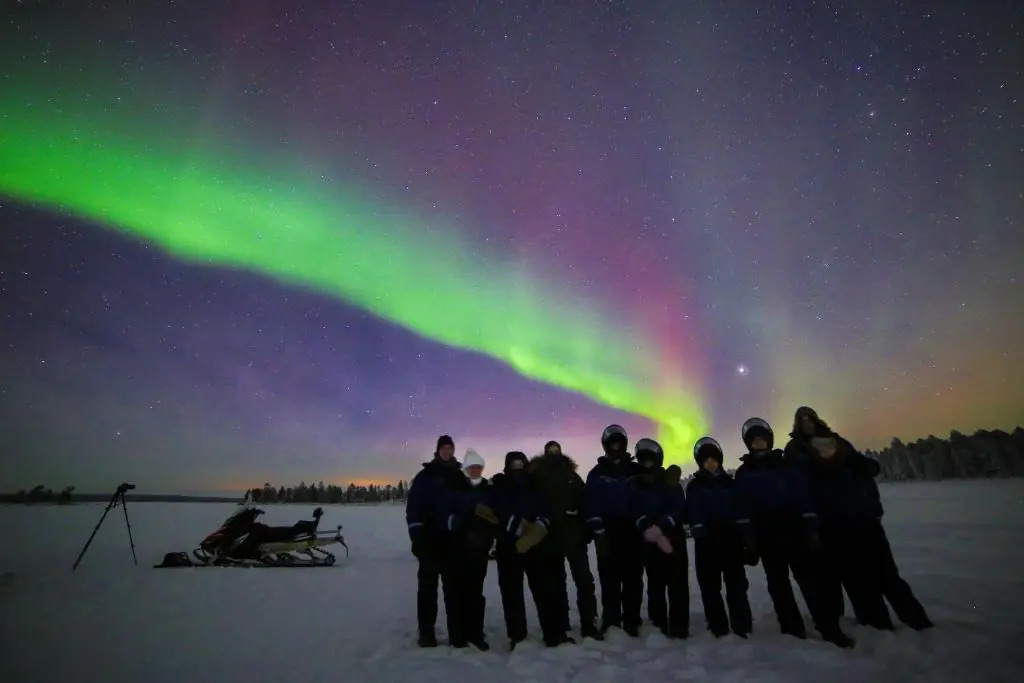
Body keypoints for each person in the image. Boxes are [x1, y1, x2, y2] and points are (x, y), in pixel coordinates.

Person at [793, 413, 934, 631]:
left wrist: (874, 509)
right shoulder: (804, 460)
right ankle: (876, 624)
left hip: (865, 522)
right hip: (835, 527)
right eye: (802, 422)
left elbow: (866, 483)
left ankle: (917, 621)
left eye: (810, 420)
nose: (807, 425)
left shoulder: (845, 455)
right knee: (857, 579)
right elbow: (805, 493)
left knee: (887, 575)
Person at [734, 418, 854, 648]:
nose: (759, 444)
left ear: (769, 440)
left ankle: (828, 627)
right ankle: (791, 628)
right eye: (754, 441)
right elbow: (742, 508)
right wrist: (748, 540)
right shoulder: (744, 473)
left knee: (811, 582)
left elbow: (803, 496)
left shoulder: (786, 465)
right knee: (778, 584)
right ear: (748, 444)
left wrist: (811, 527)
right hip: (766, 535)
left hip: (794, 531)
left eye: (762, 440)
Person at [405, 435, 497, 649]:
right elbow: (414, 508)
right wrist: (417, 536)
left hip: (454, 542)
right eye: (443, 448)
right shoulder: (425, 476)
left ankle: (457, 634)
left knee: (454, 590)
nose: (447, 451)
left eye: (450, 448)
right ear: (438, 450)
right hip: (429, 539)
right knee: (427, 588)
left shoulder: (460, 475)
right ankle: (426, 633)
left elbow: (472, 500)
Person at [491, 451, 570, 649]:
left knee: (543, 590)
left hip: (535, 546)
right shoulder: (500, 485)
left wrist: (539, 527)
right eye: (514, 464)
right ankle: (517, 635)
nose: (518, 468)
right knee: (511, 593)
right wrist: (515, 526)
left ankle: (553, 633)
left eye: (521, 464)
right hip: (508, 545)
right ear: (507, 466)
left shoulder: (535, 484)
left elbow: (546, 507)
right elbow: (495, 509)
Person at [528, 440, 602, 641]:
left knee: (584, 581)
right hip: (550, 539)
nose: (553, 454)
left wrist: (586, 528)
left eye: (556, 451)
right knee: (556, 584)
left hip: (575, 537)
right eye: (550, 451)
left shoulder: (572, 476)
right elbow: (533, 502)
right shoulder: (538, 477)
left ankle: (589, 622)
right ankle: (560, 623)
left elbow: (585, 501)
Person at [685, 437, 753, 638]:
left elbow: (740, 509)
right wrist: (700, 531)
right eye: (706, 461)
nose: (711, 464)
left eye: (713, 460)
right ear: (700, 463)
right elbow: (693, 512)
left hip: (731, 539)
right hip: (706, 541)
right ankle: (718, 625)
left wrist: (746, 537)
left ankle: (742, 624)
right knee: (710, 586)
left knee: (736, 583)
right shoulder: (695, 486)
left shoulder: (731, 484)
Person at [585, 424, 644, 636]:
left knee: (633, 579)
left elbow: (651, 487)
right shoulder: (597, 473)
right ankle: (611, 620)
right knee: (609, 580)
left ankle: (632, 620)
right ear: (606, 446)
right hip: (608, 532)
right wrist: (598, 530)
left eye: (619, 444)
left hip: (633, 530)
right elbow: (591, 503)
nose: (616, 448)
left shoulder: (636, 470)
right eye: (613, 444)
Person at [628, 438, 689, 638]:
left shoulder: (669, 481)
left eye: (650, 459)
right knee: (656, 583)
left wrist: (664, 522)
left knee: (677, 583)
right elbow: (632, 507)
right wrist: (643, 523)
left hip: (673, 538)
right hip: (649, 540)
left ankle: (679, 626)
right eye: (643, 460)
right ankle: (658, 623)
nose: (647, 464)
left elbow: (678, 506)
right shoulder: (635, 483)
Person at [460, 449, 498, 648]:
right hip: (460, 547)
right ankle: (460, 632)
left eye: (478, 467)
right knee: (460, 591)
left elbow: (495, 515)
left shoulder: (488, 490)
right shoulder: (459, 487)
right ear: (466, 468)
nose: (475, 470)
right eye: (471, 467)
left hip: (480, 547)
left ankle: (476, 632)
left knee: (476, 591)